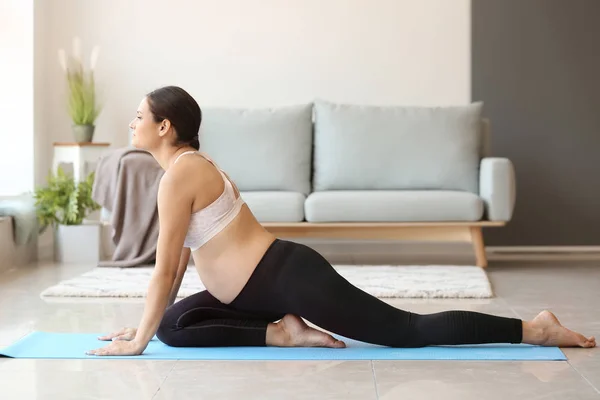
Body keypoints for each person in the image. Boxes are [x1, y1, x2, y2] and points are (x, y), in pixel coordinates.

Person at [86, 86, 596, 356]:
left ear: (163, 125)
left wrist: (135, 342)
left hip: (284, 274)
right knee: (174, 328)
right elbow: (173, 276)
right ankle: (283, 333)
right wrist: (147, 330)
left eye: (138, 116)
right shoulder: (181, 171)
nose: (132, 123)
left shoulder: (181, 175)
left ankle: (534, 329)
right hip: (251, 293)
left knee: (405, 331)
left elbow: (164, 268)